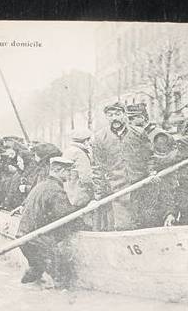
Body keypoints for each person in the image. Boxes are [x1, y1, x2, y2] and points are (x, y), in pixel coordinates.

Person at [17, 157, 86, 286]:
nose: (70, 175)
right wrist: (85, 223)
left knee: (36, 270)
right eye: (68, 171)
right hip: (39, 240)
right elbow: (66, 216)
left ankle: (27, 291)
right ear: (58, 171)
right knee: (64, 276)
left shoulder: (41, 186)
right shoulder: (55, 189)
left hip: (24, 238)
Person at [91, 102, 156, 231]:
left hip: (141, 187)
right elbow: (98, 168)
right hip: (118, 192)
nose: (114, 118)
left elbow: (149, 156)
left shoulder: (138, 133)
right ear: (106, 117)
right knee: (123, 227)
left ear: (124, 115)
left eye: (117, 114)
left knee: (146, 225)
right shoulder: (99, 138)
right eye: (110, 115)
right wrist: (99, 195)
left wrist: (152, 172)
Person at [62, 129, 94, 207]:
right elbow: (86, 177)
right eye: (89, 139)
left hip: (69, 193)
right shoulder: (80, 153)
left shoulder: (68, 151)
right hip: (80, 195)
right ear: (85, 140)